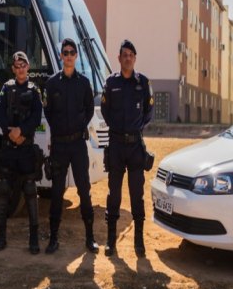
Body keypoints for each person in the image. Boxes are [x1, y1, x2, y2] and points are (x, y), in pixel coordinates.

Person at [44, 38, 98, 254]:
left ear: (76, 56)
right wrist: (59, 129)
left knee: (84, 191)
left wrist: (78, 125)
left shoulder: (84, 83)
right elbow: (48, 111)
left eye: (71, 52)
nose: (68, 56)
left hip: (77, 145)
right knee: (57, 192)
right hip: (59, 146)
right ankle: (53, 238)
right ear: (61, 56)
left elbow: (89, 109)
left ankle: (90, 238)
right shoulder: (51, 84)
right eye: (65, 52)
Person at [101, 39, 153, 257]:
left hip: (134, 148)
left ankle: (138, 242)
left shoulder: (143, 82)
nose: (128, 58)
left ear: (135, 58)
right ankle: (111, 242)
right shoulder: (111, 83)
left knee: (136, 195)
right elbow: (105, 110)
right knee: (114, 195)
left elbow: (149, 112)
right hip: (115, 145)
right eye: (124, 54)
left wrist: (135, 128)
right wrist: (117, 128)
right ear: (119, 58)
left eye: (131, 54)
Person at [0, 51, 43, 254]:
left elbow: (36, 117)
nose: (21, 68)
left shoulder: (34, 90)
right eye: (17, 65)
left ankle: (33, 239)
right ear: (13, 69)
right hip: (8, 148)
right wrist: (9, 131)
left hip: (26, 148)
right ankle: (1, 237)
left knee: (30, 193)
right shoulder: (6, 88)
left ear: (28, 67)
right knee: (4, 192)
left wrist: (21, 131)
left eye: (24, 65)